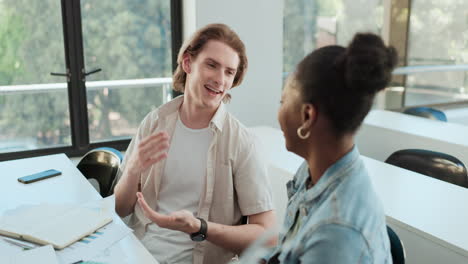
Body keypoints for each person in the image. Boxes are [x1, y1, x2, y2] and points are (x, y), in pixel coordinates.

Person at [113, 23, 276, 264]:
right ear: (188, 63)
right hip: (137, 253)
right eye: (212, 65)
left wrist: (200, 228)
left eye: (229, 72)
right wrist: (133, 169)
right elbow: (120, 209)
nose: (220, 80)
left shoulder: (242, 143)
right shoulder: (155, 122)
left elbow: (267, 235)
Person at [263, 33, 397, 263]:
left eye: (282, 101)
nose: (279, 111)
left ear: (307, 116)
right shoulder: (311, 171)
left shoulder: (336, 236)